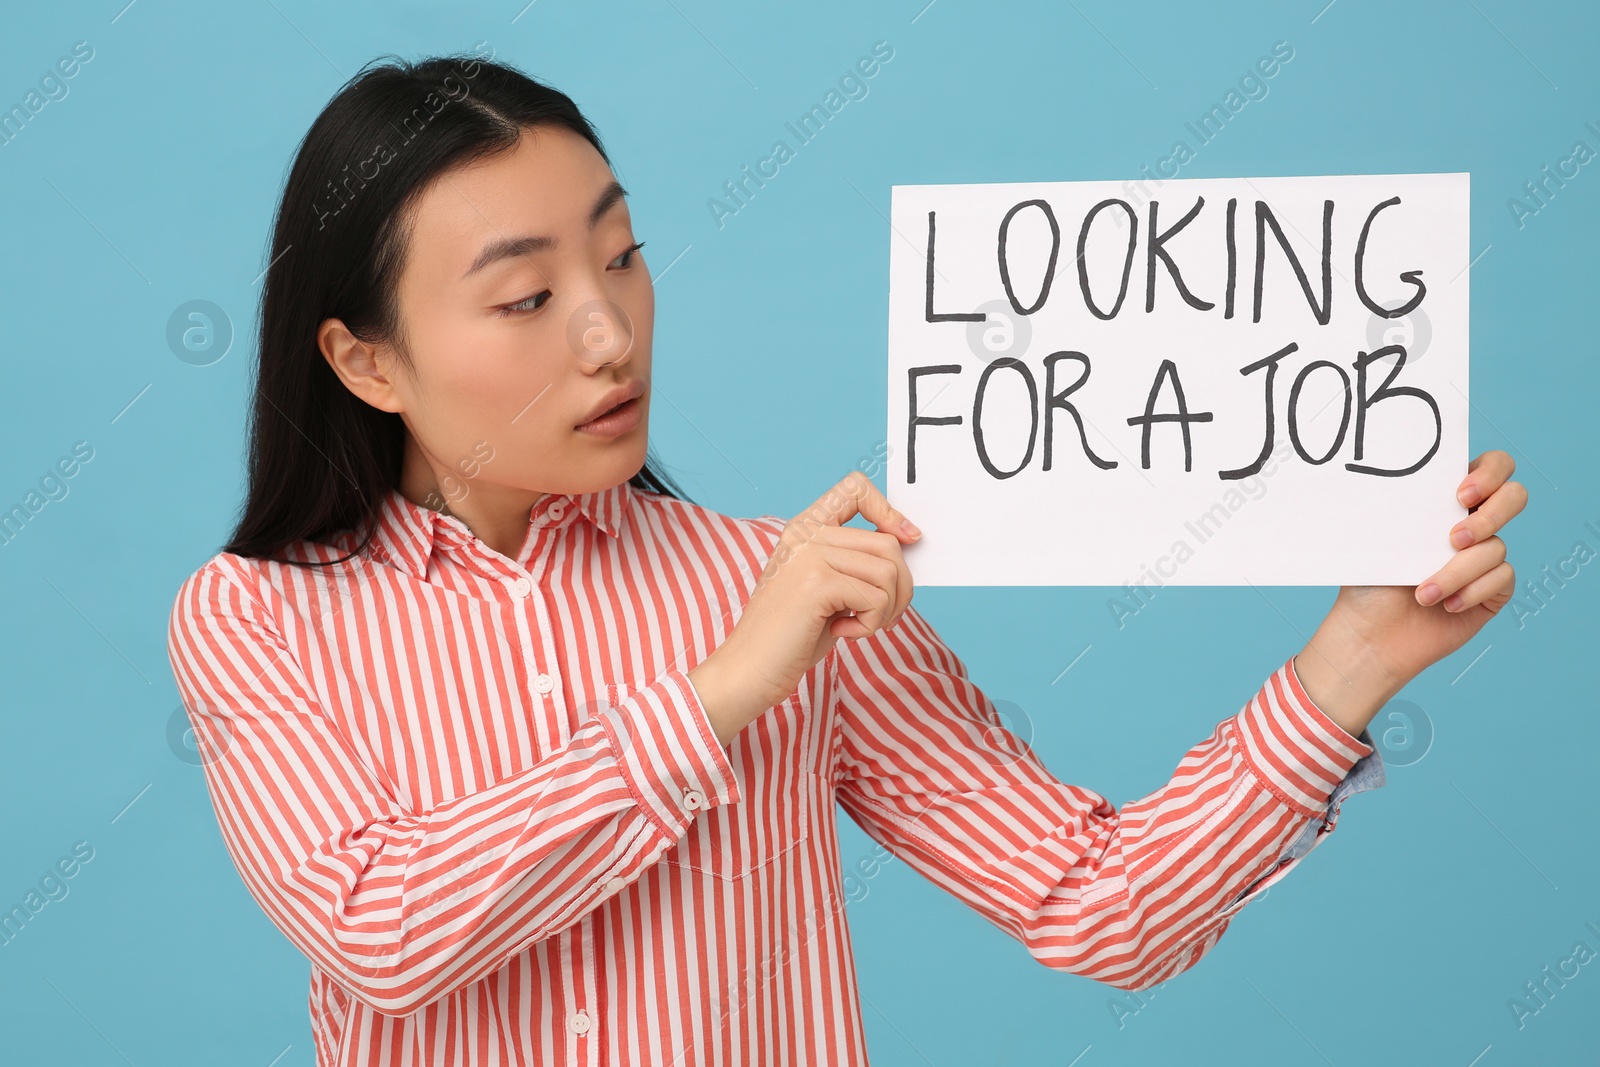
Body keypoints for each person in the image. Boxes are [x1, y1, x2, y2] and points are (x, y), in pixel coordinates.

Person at [165, 50, 1527, 1067]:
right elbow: (384, 932)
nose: (608, 334)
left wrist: (1360, 653)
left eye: (624, 259)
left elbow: (1101, 909)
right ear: (364, 357)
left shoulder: (796, 590)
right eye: (527, 298)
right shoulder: (256, 619)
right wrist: (721, 693)